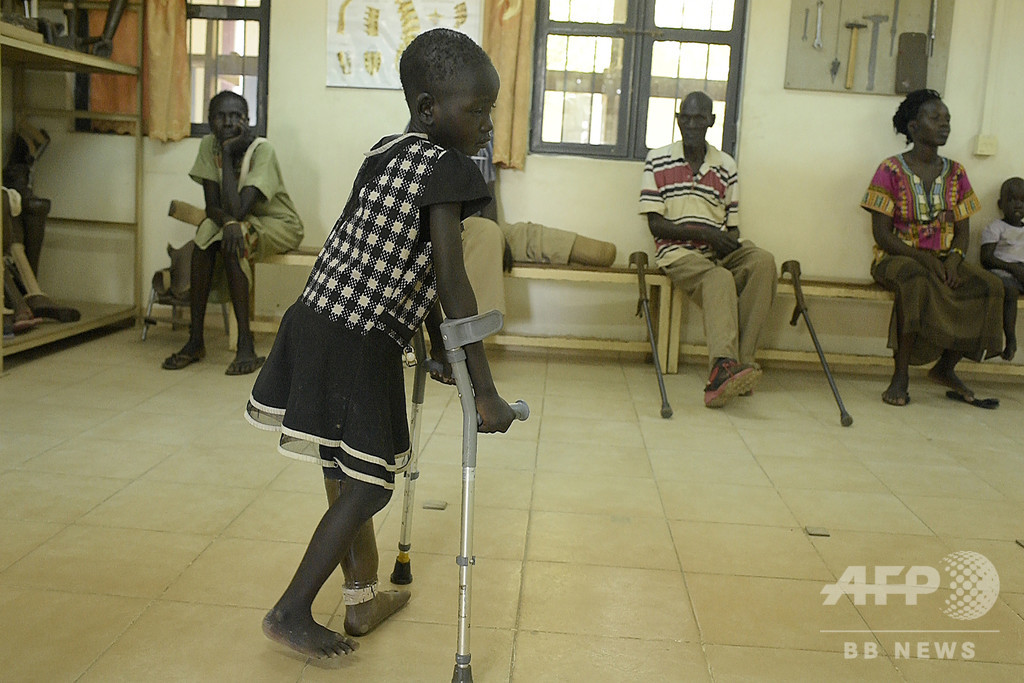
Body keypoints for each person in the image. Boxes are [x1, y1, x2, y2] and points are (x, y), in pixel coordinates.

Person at [244, 28, 517, 660]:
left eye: (490, 111)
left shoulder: (384, 151)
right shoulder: (447, 169)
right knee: (371, 484)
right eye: (474, 110)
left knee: (343, 466)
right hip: (358, 340)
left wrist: (431, 351)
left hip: (314, 319)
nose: (486, 124)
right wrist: (486, 391)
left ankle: (362, 599)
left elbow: (392, 256)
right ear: (428, 108)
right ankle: (291, 610)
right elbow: (452, 284)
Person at [862, 89, 1003, 408]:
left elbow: (963, 231)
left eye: (947, 119)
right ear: (913, 127)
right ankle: (900, 375)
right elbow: (882, 234)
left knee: (989, 286)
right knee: (917, 281)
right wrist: (923, 258)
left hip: (944, 257)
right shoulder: (890, 170)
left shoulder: (956, 173)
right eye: (935, 117)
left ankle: (945, 368)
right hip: (897, 257)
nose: (944, 124)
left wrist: (954, 259)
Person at [639, 91, 777, 408]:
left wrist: (724, 241)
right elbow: (656, 225)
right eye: (684, 118)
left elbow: (732, 226)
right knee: (719, 279)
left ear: (711, 121)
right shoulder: (657, 159)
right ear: (677, 120)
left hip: (716, 249)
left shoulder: (725, 165)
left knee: (763, 262)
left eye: (698, 118)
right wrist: (705, 234)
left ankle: (739, 365)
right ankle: (721, 371)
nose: (690, 124)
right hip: (677, 253)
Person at [162, 91, 304, 375]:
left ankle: (246, 346)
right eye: (220, 116)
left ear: (247, 120)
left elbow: (240, 209)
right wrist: (227, 223)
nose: (228, 122)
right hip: (237, 221)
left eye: (235, 116)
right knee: (206, 236)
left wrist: (228, 153)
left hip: (278, 224)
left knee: (235, 237)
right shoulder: (208, 146)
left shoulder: (262, 150)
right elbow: (212, 206)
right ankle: (195, 340)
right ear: (209, 121)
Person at [980, 176, 1024, 361]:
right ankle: (1011, 340)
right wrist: (1012, 268)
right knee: (1010, 292)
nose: (1018, 205)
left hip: (1021, 274)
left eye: (1022, 200)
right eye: (1012, 200)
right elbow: (986, 259)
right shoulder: (995, 228)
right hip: (1002, 275)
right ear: (1000, 204)